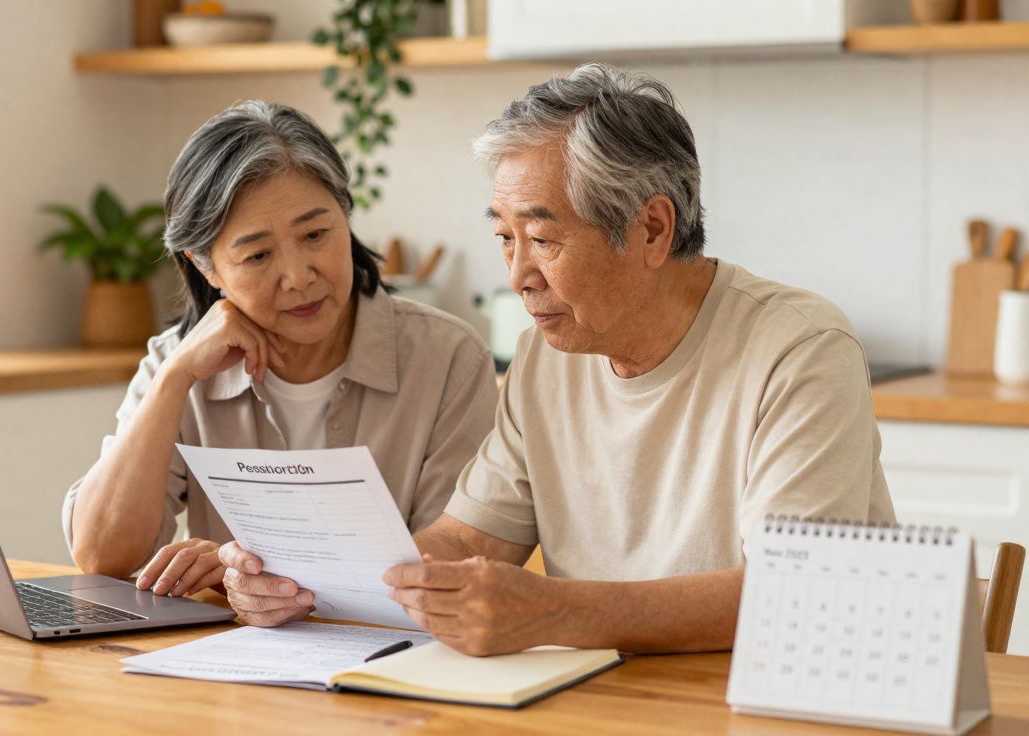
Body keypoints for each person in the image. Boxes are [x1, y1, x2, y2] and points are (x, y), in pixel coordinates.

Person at [217, 63, 898, 650]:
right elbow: (467, 542)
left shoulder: (798, 351)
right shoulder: (544, 361)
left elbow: (799, 591)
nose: (517, 276)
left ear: (652, 229)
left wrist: (554, 611)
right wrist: (304, 579)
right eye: (504, 239)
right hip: (603, 702)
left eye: (542, 239)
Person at [63, 101, 498, 599]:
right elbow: (100, 556)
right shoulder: (177, 364)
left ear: (346, 216)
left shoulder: (448, 358)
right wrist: (173, 379)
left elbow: (453, 561)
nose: (298, 277)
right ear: (206, 268)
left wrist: (250, 575)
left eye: (315, 234)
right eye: (258, 255)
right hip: (229, 664)